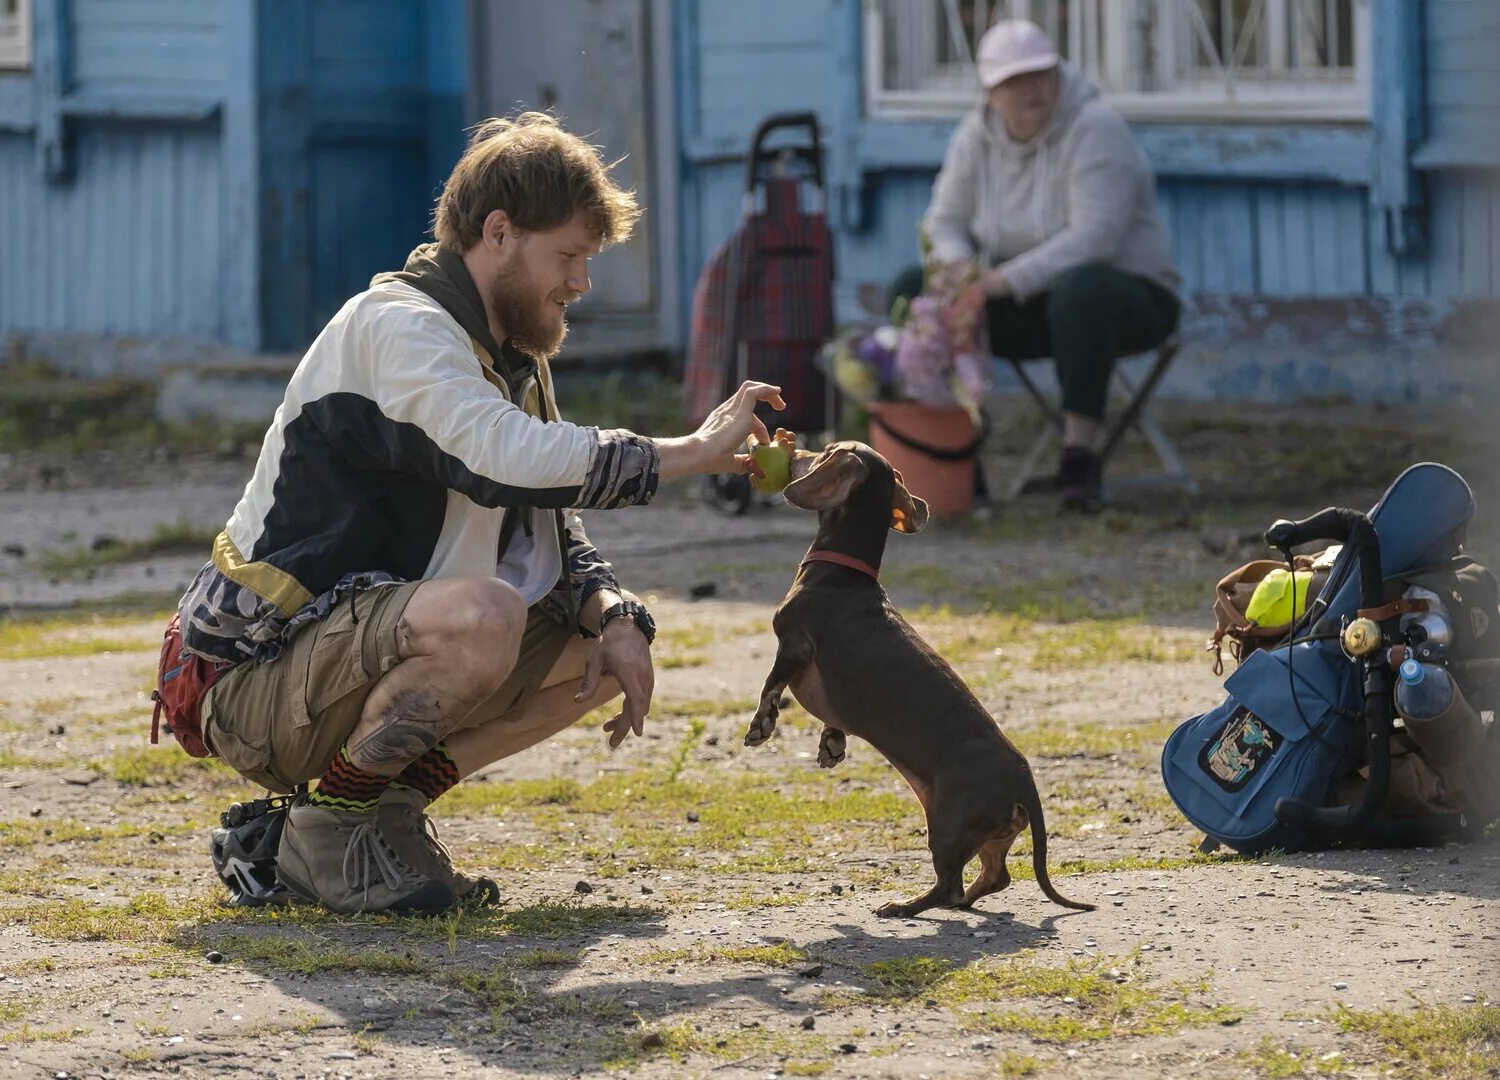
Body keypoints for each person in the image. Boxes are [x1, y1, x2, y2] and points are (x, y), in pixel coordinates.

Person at [171, 111, 785, 914]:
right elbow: (509, 459)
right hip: (248, 677)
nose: (581, 283)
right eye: (568, 256)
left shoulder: (501, 352)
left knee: (598, 652)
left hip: (344, 656)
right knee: (483, 617)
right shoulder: (401, 330)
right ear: (498, 232)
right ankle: (326, 830)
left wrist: (616, 612)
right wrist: (694, 451)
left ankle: (377, 815)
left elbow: (546, 521)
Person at [921, 18, 1181, 511]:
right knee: (917, 288)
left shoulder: (1096, 128)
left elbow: (1095, 238)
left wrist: (1000, 280)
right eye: (1014, 80)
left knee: (1082, 290)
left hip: (1128, 300)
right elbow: (943, 221)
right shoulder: (974, 137)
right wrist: (958, 271)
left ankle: (1079, 456)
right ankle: (952, 455)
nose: (1032, 88)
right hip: (1026, 303)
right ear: (991, 91)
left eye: (1041, 73)